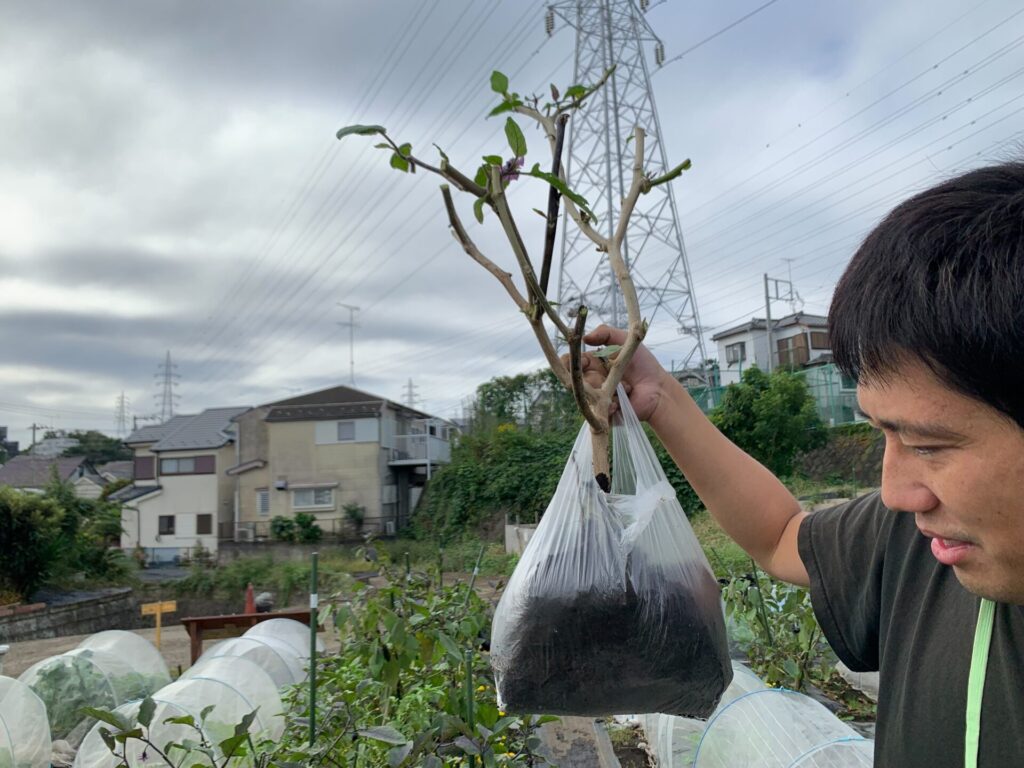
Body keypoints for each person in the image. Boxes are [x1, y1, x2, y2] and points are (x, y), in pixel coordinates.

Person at [579, 161, 1024, 767]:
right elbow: (780, 535)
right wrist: (664, 401)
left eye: (928, 445)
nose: (894, 492)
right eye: (881, 435)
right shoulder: (918, 547)